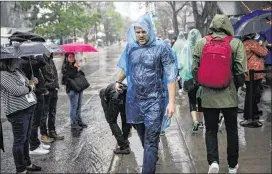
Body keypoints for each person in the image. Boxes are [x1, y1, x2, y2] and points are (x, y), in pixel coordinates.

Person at [115, 14, 178, 174]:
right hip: (135, 100)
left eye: (143, 32)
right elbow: (126, 67)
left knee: (151, 140)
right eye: (138, 32)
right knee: (144, 138)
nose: (141, 35)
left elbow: (171, 74)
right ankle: (152, 156)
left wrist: (171, 101)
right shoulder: (131, 47)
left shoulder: (161, 48)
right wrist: (118, 81)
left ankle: (148, 167)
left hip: (155, 101)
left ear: (150, 31)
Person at [192, 14, 247, 173]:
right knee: (231, 130)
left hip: (208, 97)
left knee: (210, 130)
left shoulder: (201, 43)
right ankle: (232, 165)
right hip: (229, 96)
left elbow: (195, 68)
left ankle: (213, 162)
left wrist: (203, 82)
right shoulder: (236, 43)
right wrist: (235, 85)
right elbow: (241, 71)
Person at [0, 47, 42, 173]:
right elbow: (17, 91)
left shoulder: (17, 71)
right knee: (19, 140)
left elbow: (25, 84)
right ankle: (20, 168)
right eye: (14, 59)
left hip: (28, 107)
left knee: (26, 138)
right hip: (17, 111)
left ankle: (27, 163)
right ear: (7, 61)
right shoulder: (2, 74)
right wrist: (30, 87)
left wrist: (31, 81)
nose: (17, 61)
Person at [18, 55, 51, 154]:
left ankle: (37, 142)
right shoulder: (25, 61)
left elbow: (42, 64)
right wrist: (38, 56)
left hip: (39, 92)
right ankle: (33, 146)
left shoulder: (30, 59)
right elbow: (43, 63)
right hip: (34, 93)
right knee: (34, 122)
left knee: (37, 120)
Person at [240, 33, 267, 126]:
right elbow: (264, 52)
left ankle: (252, 113)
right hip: (255, 73)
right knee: (252, 94)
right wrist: (263, 45)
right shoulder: (252, 43)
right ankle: (250, 116)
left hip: (247, 72)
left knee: (250, 94)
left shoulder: (243, 43)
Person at [180, 29, 202, 132]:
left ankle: (195, 121)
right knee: (201, 100)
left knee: (192, 101)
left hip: (189, 78)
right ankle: (201, 122)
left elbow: (181, 64)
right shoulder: (202, 47)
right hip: (201, 78)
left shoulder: (185, 47)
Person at [99, 82, 131, 154]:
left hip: (116, 97)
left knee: (112, 121)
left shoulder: (103, 95)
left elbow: (108, 116)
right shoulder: (111, 88)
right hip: (125, 95)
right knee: (125, 118)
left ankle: (124, 146)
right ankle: (125, 140)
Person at [61, 53, 88, 130]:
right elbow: (71, 75)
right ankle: (74, 123)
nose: (72, 58)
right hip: (72, 90)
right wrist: (76, 69)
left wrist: (78, 68)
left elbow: (82, 74)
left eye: (73, 56)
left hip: (79, 88)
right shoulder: (65, 67)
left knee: (79, 106)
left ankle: (79, 121)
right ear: (66, 58)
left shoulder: (75, 65)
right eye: (70, 57)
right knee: (74, 106)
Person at [41, 53, 64, 140]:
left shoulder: (51, 60)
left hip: (54, 90)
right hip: (46, 91)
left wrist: (56, 85)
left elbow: (55, 74)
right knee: (44, 114)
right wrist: (47, 88)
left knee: (52, 112)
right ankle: (44, 134)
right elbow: (41, 78)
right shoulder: (41, 61)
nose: (50, 52)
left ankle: (52, 131)